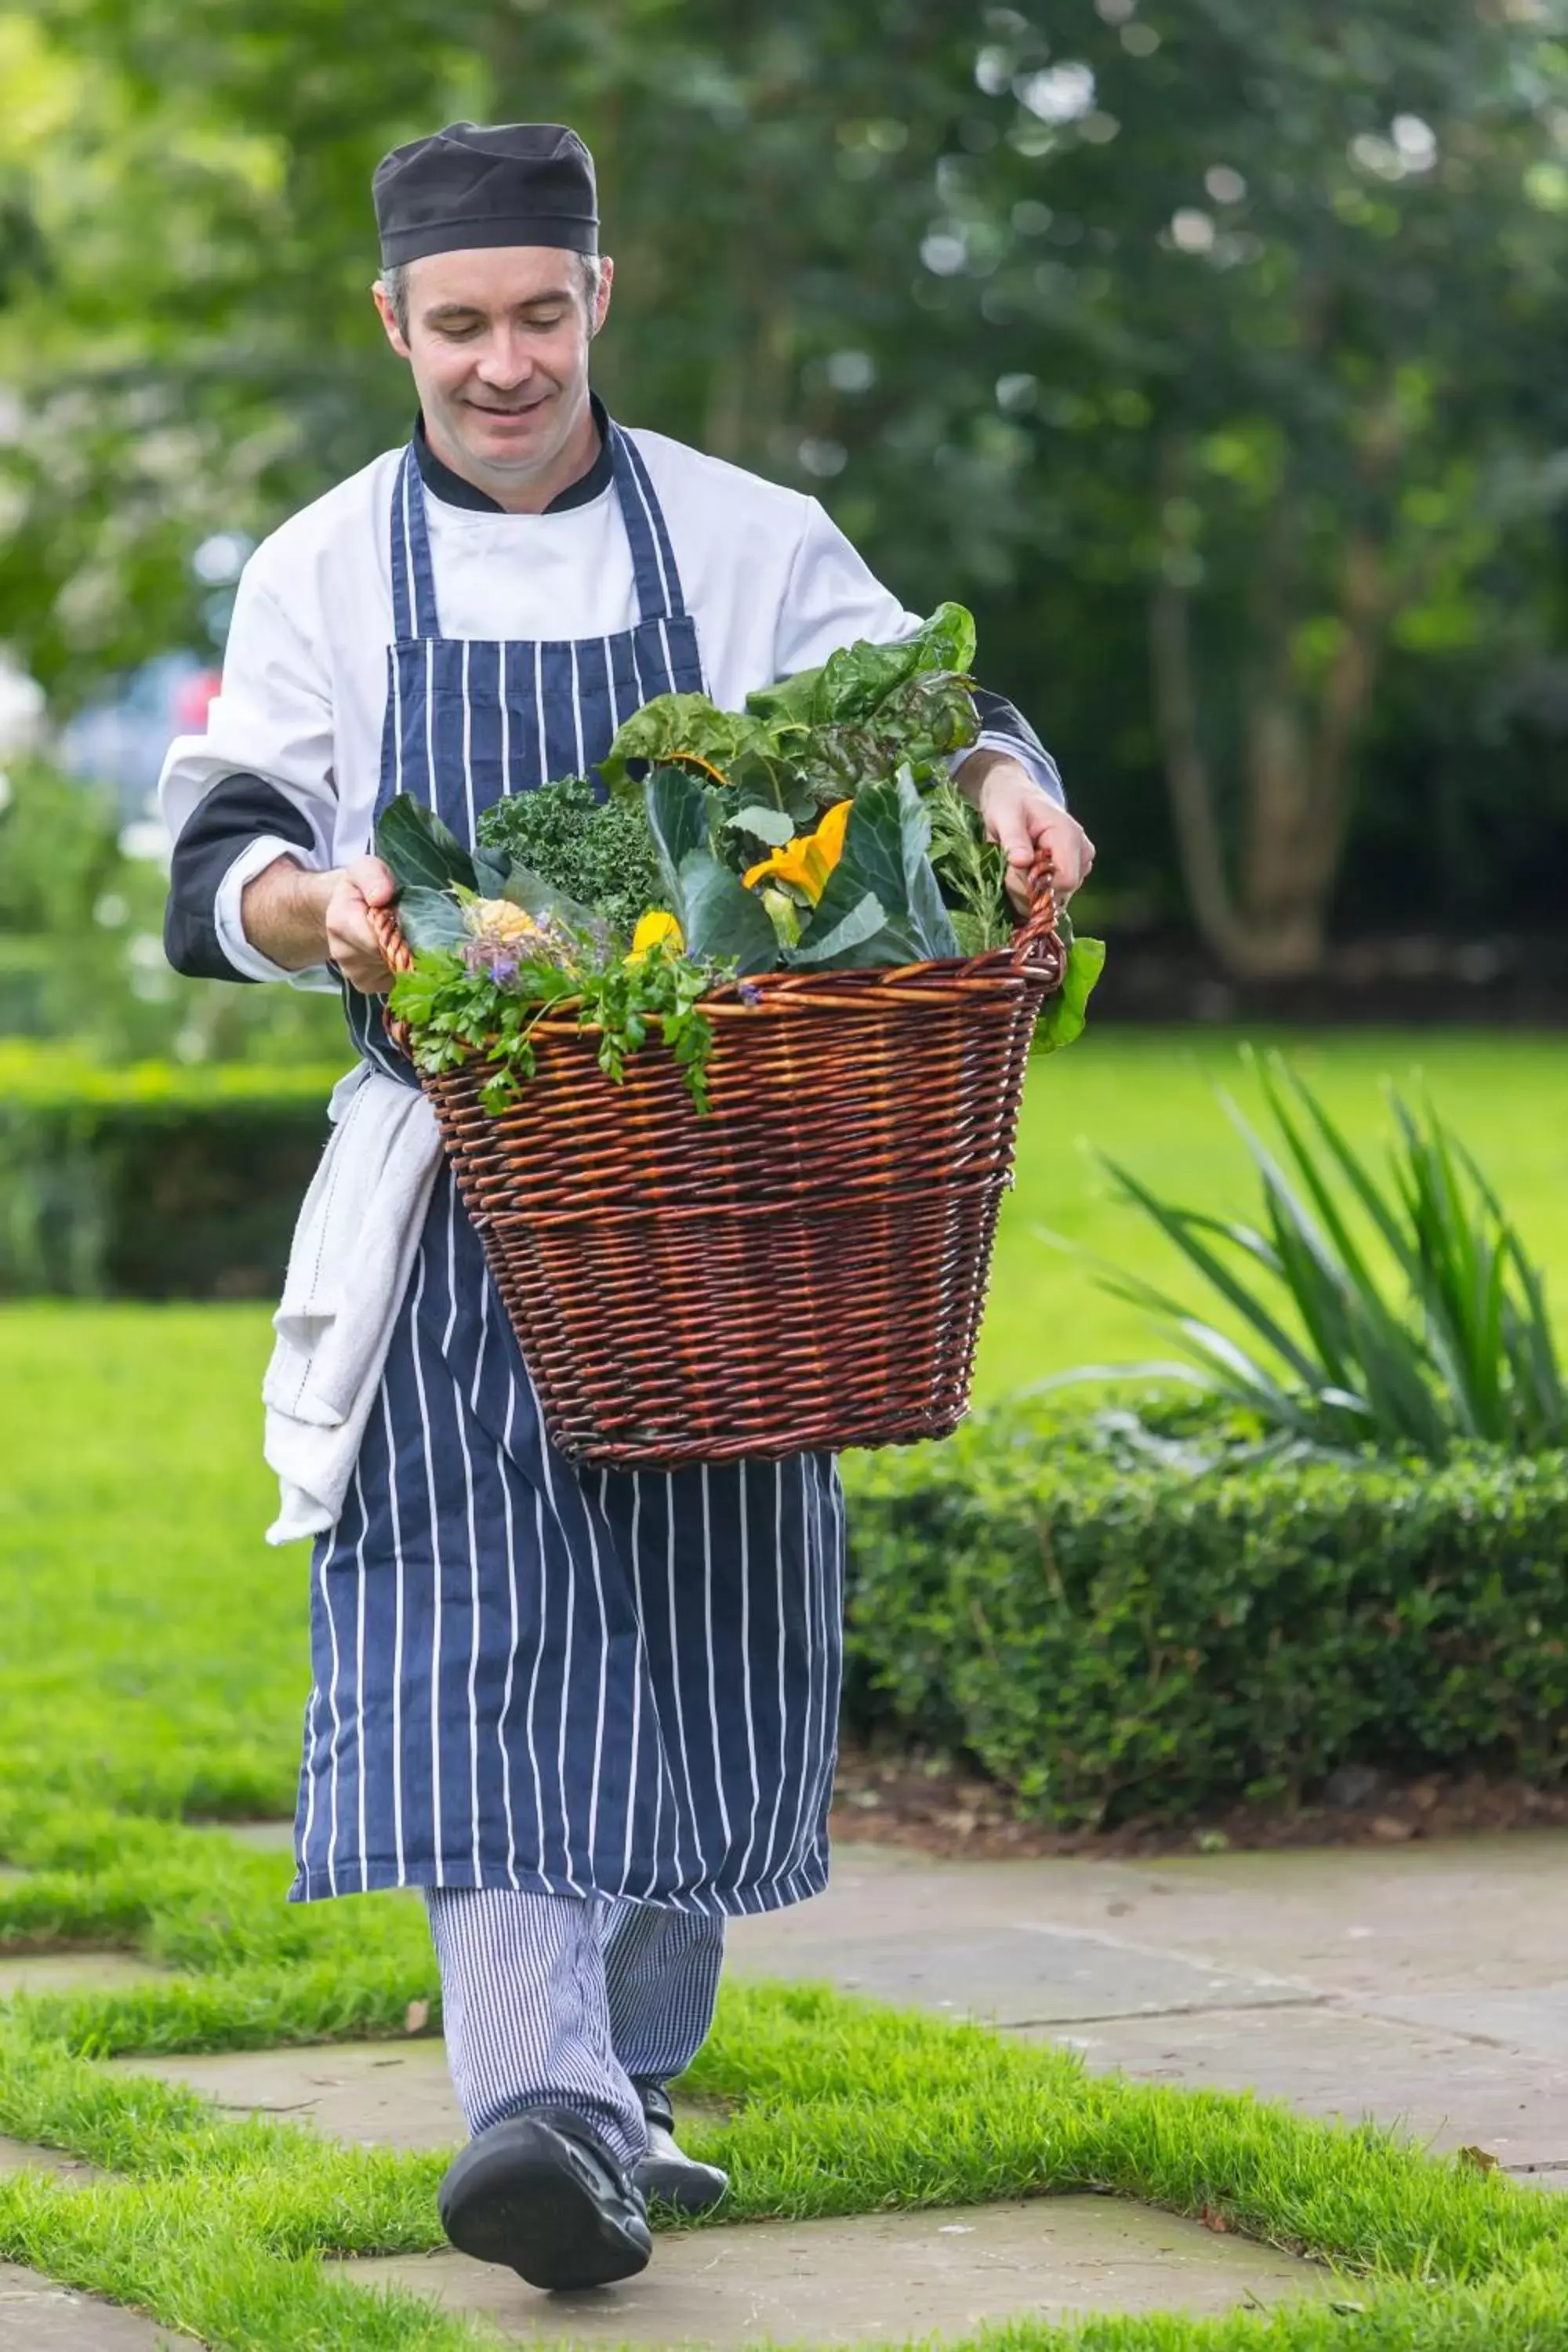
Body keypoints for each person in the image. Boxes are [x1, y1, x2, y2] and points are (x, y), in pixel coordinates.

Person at [160, 120, 1094, 2296]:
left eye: (540, 314)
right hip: (477, 1181)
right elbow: (227, 855)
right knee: (474, 1625)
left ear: (603, 294)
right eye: (460, 324)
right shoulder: (321, 566)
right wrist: (335, 912)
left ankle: (625, 2084)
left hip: (730, 1197)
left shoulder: (753, 539)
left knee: (698, 1635)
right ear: (395, 324)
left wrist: (1005, 786)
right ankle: (542, 2106)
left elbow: (926, 713)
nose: (505, 364)